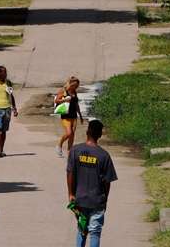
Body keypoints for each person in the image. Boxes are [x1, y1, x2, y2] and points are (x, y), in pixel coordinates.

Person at [66, 119, 117, 247]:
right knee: (95, 232)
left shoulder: (75, 151)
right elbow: (107, 181)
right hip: (97, 200)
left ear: (87, 132)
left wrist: (71, 193)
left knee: (82, 229)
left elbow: (70, 173)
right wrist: (105, 199)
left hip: (80, 199)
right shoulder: (104, 156)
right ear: (100, 135)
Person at [54, 76, 83, 157]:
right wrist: (64, 100)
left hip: (74, 116)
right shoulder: (63, 91)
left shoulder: (75, 92)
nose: (76, 87)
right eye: (75, 85)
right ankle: (59, 145)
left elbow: (76, 104)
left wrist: (80, 115)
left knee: (72, 135)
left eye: (77, 86)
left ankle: (69, 151)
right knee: (69, 133)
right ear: (71, 84)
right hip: (65, 115)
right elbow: (56, 100)